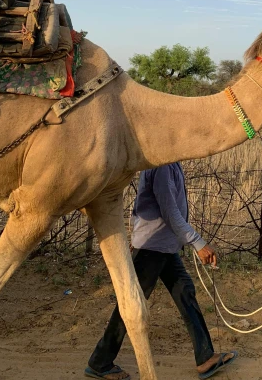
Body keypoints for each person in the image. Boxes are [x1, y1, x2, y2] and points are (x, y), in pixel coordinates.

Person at [85, 162, 238, 379]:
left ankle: (205, 357)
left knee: (185, 292)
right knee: (131, 306)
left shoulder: (172, 163)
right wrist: (198, 243)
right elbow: (170, 212)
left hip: (165, 247)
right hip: (151, 248)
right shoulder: (162, 166)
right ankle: (100, 362)